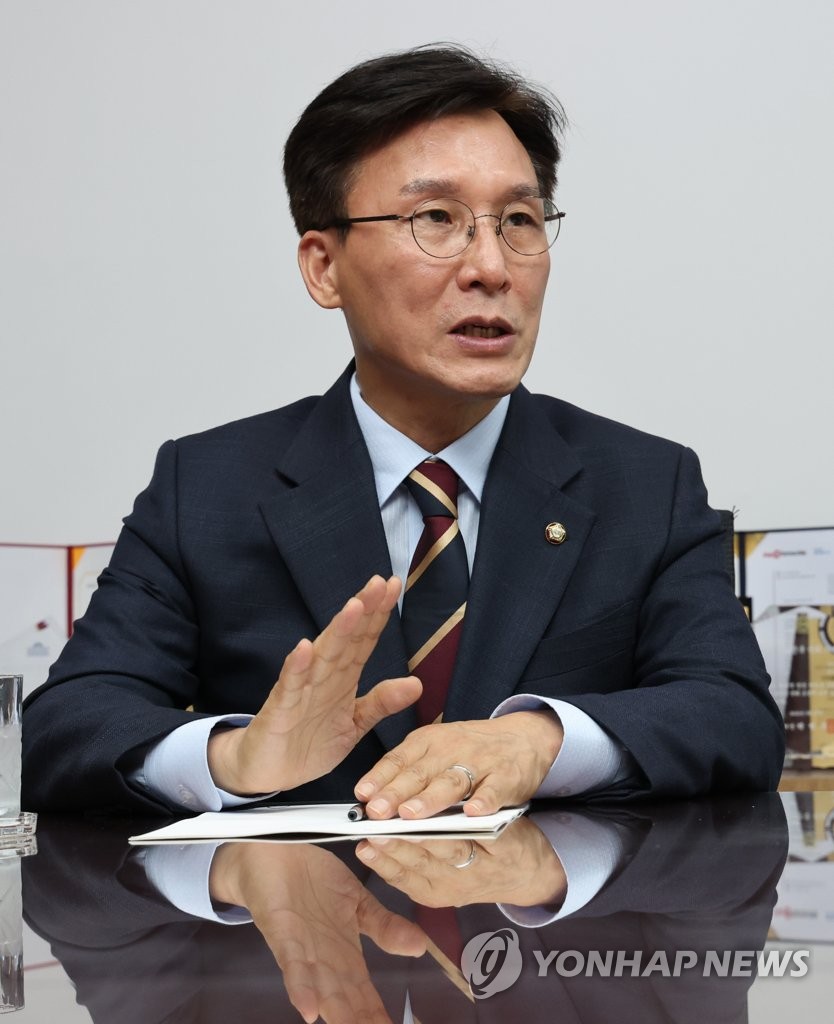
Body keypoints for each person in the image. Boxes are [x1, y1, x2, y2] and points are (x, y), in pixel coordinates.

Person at [22, 45, 784, 817]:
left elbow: (735, 715)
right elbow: (64, 727)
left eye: (519, 221)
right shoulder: (207, 490)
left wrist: (542, 740)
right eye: (436, 219)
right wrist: (235, 756)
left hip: (545, 897)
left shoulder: (646, 486)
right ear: (324, 267)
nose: (492, 267)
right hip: (301, 899)